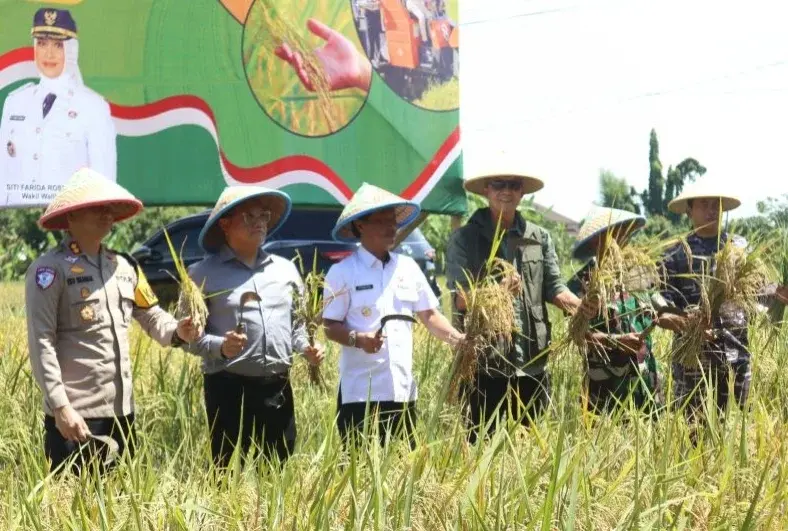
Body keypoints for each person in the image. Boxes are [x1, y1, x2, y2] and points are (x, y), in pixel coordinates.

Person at [25, 168, 200, 475]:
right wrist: (60, 407)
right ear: (71, 217)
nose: (106, 214)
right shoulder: (49, 271)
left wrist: (178, 330)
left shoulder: (125, 266)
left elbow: (151, 315)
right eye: (96, 207)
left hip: (122, 414)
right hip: (76, 417)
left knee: (119, 505)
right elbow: (41, 341)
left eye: (109, 208)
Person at [445, 168, 589, 443]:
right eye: (498, 184)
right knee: (481, 446)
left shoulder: (540, 237)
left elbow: (554, 288)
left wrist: (583, 307)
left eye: (513, 185)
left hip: (532, 359)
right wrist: (498, 291)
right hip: (484, 361)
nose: (506, 191)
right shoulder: (464, 239)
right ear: (487, 189)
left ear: (522, 192)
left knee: (529, 447)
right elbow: (460, 299)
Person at [187, 186, 324, 468]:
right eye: (249, 217)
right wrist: (220, 347)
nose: (260, 222)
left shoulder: (285, 270)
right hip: (228, 387)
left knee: (276, 470)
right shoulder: (201, 274)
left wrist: (306, 349)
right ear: (225, 224)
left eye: (264, 215)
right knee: (227, 470)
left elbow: (297, 326)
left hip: (276, 386)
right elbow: (188, 338)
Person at [322, 183, 464, 448]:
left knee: (402, 470)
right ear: (360, 226)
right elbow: (329, 326)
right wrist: (357, 338)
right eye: (382, 221)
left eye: (394, 222)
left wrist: (457, 339)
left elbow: (430, 315)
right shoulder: (342, 272)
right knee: (359, 471)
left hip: (401, 389)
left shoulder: (407, 267)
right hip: (360, 393)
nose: (392, 228)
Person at [658, 179, 788, 427]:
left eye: (715, 205)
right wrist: (687, 323)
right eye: (703, 204)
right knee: (695, 428)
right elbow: (662, 306)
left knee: (737, 426)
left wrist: (778, 292)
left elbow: (758, 289)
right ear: (689, 210)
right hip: (693, 359)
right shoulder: (676, 252)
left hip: (736, 352)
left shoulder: (739, 247)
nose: (711, 210)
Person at [0, 8, 116, 208]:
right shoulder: (15, 102)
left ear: (71, 51)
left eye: (58, 45)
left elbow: (104, 188)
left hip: (69, 221)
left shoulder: (94, 107)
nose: (49, 53)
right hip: (17, 225)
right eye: (42, 44)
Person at [567, 207, 662, 414]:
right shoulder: (583, 280)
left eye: (624, 231)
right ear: (595, 240)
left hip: (645, 382)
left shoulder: (640, 273)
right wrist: (616, 341)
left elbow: (660, 308)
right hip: (604, 388)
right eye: (612, 233)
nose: (620, 239)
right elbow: (577, 335)